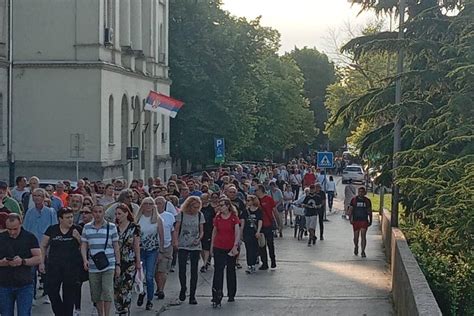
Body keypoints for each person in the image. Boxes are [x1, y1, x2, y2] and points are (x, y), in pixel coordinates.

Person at [39, 208, 82, 316]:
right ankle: (60, 313)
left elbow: (85, 247)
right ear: (60, 219)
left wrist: (79, 239)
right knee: (52, 291)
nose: (70, 220)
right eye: (67, 217)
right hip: (54, 266)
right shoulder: (52, 229)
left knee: (69, 295)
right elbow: (43, 245)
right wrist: (42, 262)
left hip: (71, 267)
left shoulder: (77, 229)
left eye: (71, 217)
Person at [80, 205, 121, 316]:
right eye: (95, 212)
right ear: (92, 213)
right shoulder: (87, 227)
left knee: (107, 290)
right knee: (96, 292)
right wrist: (85, 260)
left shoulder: (111, 227)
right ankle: (100, 313)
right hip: (94, 264)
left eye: (100, 212)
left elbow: (116, 246)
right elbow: (84, 245)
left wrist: (118, 264)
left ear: (103, 213)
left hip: (109, 263)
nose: (98, 214)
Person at [0, 213, 42, 316]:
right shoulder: (1, 238)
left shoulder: (29, 237)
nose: (12, 232)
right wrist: (2, 262)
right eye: (9, 229)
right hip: (4, 284)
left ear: (20, 224)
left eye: (15, 229)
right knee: (6, 313)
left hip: (24, 284)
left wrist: (23, 261)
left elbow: (38, 258)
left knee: (24, 313)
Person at [23, 188, 58, 303]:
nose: (37, 197)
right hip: (32, 246)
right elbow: (25, 229)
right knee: (31, 272)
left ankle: (47, 294)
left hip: (46, 246)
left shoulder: (50, 211)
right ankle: (31, 296)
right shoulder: (29, 212)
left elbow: (54, 229)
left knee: (46, 272)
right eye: (35, 195)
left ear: (44, 198)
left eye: (39, 195)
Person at [174, 196, 205, 305]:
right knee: (182, 269)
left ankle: (192, 295)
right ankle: (183, 288)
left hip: (195, 245)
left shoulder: (200, 215)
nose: (195, 209)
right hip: (183, 244)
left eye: (197, 207)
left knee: (194, 270)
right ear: (189, 206)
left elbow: (201, 231)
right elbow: (176, 229)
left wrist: (199, 238)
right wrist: (176, 241)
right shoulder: (181, 215)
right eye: (194, 207)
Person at [210, 197, 240, 307]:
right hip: (219, 246)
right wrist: (212, 247)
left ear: (227, 206)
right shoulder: (217, 218)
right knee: (218, 271)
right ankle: (216, 295)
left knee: (230, 270)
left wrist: (235, 246)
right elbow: (214, 232)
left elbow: (237, 233)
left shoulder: (233, 218)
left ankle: (231, 293)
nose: (220, 207)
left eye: (222, 205)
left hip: (230, 247)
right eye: (219, 205)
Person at [135, 197, 164, 309]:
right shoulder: (138, 219)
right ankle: (141, 293)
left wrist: (161, 251)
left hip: (152, 250)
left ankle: (149, 300)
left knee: (149, 276)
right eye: (145, 203)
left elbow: (161, 236)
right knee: (139, 276)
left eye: (150, 204)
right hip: (140, 250)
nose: (148, 206)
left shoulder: (157, 219)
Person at [114, 204, 141, 314]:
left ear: (126, 214)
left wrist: (138, 261)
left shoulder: (134, 227)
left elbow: (136, 245)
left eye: (119, 214)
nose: (117, 216)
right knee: (116, 287)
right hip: (116, 261)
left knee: (127, 286)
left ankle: (125, 309)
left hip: (129, 260)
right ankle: (119, 308)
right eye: (116, 214)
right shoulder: (113, 228)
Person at [154, 197, 176, 300]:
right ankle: (158, 287)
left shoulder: (170, 216)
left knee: (163, 269)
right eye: (156, 203)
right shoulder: (151, 216)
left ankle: (161, 289)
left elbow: (173, 230)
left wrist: (174, 241)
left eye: (160, 203)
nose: (158, 205)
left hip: (167, 246)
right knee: (155, 271)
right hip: (154, 246)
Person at [255, 184, 279, 270]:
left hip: (268, 224)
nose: (255, 192)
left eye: (256, 190)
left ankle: (273, 260)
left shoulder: (268, 199)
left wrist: (278, 222)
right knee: (262, 245)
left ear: (261, 190)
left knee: (270, 243)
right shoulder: (255, 200)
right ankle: (264, 263)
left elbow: (274, 210)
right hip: (259, 226)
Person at [240, 195, 263, 274]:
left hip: (255, 232)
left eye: (249, 200)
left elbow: (260, 221)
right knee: (248, 249)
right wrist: (241, 233)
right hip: (247, 232)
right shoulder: (245, 211)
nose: (247, 202)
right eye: (246, 200)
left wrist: (258, 231)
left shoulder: (258, 211)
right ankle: (250, 265)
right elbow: (242, 223)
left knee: (255, 249)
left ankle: (254, 261)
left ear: (253, 201)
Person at [349, 187, 373, 258]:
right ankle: (356, 246)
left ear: (365, 193)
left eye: (362, 192)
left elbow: (369, 211)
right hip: (356, 220)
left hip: (364, 220)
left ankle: (363, 251)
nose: (361, 193)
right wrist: (350, 218)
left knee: (363, 236)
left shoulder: (367, 201)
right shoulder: (354, 200)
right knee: (356, 237)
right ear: (358, 192)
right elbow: (350, 209)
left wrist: (370, 220)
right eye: (359, 191)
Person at [199, 193, 215, 273]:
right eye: (201, 199)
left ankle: (204, 264)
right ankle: (206, 260)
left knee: (206, 247)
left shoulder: (211, 209)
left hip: (209, 230)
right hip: (199, 229)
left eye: (204, 198)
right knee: (201, 247)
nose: (203, 200)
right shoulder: (199, 209)